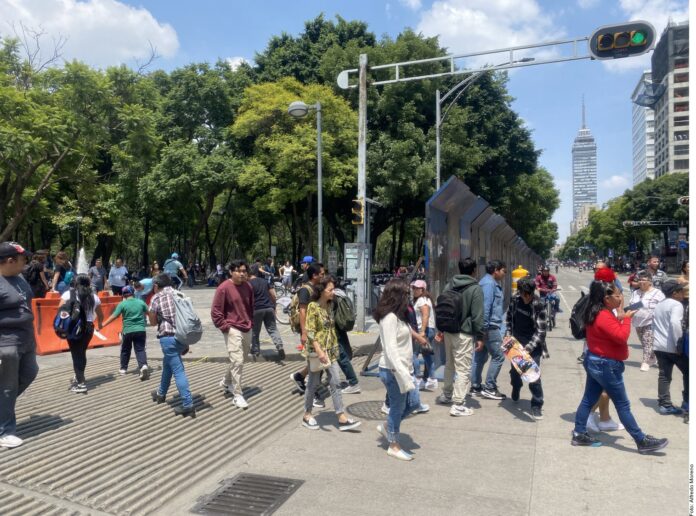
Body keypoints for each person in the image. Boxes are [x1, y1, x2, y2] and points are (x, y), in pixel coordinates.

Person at [570, 280, 668, 453]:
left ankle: (579, 433)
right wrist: (627, 319)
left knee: (588, 399)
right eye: (617, 295)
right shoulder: (603, 315)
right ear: (606, 299)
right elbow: (621, 336)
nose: (621, 297)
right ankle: (641, 440)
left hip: (596, 361)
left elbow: (608, 328)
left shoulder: (597, 312)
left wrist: (620, 316)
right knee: (622, 405)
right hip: (606, 365)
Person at [301, 276, 361, 433]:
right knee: (313, 383)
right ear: (321, 291)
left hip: (331, 350)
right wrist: (319, 351)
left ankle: (341, 417)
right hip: (317, 352)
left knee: (335, 382)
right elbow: (311, 332)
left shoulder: (330, 305)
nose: (333, 292)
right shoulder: (313, 306)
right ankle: (307, 414)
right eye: (330, 290)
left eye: (333, 289)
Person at [374, 278, 421, 460]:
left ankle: (388, 426)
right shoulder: (389, 318)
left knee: (414, 402)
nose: (408, 296)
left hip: (405, 369)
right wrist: (403, 374)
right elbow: (391, 350)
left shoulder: (399, 315)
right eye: (405, 293)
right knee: (397, 406)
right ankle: (393, 444)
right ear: (396, 296)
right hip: (393, 371)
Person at [0, 242, 39, 449]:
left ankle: (2, 410)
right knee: (7, 386)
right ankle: (5, 431)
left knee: (30, 372)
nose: (26, 263)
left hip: (26, 339)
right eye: (23, 259)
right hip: (6, 342)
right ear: (9, 261)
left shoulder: (20, 278)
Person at [435, 257, 484, 417]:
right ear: (474, 270)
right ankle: (458, 404)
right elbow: (477, 316)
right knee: (463, 369)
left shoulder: (450, 284)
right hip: (464, 333)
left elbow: (443, 307)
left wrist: (441, 329)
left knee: (450, 364)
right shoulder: (475, 288)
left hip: (448, 331)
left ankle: (446, 395)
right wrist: (480, 336)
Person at [148, 274, 194, 417]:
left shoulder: (156, 297)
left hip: (168, 338)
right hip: (183, 336)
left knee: (178, 370)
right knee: (167, 365)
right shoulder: (180, 293)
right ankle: (160, 393)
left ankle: (188, 404)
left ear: (156, 286)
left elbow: (153, 322)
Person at [211, 260, 254, 409]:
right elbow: (216, 311)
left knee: (241, 359)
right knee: (237, 361)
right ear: (231, 272)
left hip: (247, 327)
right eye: (238, 271)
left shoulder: (248, 286)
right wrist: (225, 327)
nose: (242, 273)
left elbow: (251, 306)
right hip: (232, 328)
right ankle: (237, 395)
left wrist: (251, 323)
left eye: (244, 271)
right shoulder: (223, 288)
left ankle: (226, 381)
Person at [505, 277, 546, 419]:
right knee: (515, 373)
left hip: (532, 346)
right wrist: (508, 336)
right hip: (516, 344)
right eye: (524, 294)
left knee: (533, 377)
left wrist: (528, 348)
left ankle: (536, 404)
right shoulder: (515, 300)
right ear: (520, 292)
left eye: (528, 294)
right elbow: (509, 319)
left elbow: (541, 332)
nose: (526, 297)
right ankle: (516, 387)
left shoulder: (539, 304)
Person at [471, 260, 507, 400]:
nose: (504, 274)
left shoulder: (488, 282)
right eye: (504, 271)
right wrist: (483, 330)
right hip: (489, 327)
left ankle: (475, 386)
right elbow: (485, 308)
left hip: (485, 327)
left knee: (480, 357)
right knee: (498, 356)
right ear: (496, 270)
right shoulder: (489, 284)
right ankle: (490, 387)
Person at [62, 274, 104, 393]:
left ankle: (81, 384)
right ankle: (79, 375)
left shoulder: (68, 295)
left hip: (74, 327)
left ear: (76, 283)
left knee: (76, 355)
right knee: (81, 352)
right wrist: (99, 324)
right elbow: (100, 315)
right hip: (89, 328)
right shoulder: (94, 297)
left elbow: (61, 311)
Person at [652, 279, 688, 416]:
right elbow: (675, 324)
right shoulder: (676, 304)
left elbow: (654, 324)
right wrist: (679, 343)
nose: (683, 293)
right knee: (689, 372)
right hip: (672, 346)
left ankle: (664, 405)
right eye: (680, 291)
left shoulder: (660, 305)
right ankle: (687, 402)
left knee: (664, 375)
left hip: (659, 346)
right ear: (674, 293)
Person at [289, 262, 325, 399]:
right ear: (314, 275)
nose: (323, 276)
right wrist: (304, 333)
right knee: (317, 361)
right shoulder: (305, 290)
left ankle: (300, 377)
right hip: (309, 331)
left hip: (317, 329)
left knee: (317, 360)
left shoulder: (316, 288)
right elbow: (303, 312)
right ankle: (312, 391)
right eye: (322, 274)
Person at [101, 285, 150, 380]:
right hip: (140, 330)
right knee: (140, 349)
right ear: (133, 293)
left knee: (125, 350)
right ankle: (143, 365)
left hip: (128, 330)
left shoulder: (122, 304)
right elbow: (149, 313)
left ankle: (123, 368)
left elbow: (114, 316)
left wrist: (103, 324)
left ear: (123, 295)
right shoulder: (141, 302)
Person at [630, 271, 666, 372]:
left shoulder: (657, 293)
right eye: (640, 280)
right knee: (645, 342)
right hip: (638, 322)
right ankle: (654, 357)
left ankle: (645, 362)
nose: (641, 282)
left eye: (644, 280)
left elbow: (664, 306)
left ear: (650, 281)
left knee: (647, 341)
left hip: (652, 322)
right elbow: (632, 305)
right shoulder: (635, 293)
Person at [248, 264, 285, 360]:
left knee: (255, 331)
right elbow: (273, 294)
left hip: (256, 309)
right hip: (269, 308)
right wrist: (274, 306)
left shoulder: (248, 284)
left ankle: (255, 350)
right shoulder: (265, 281)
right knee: (273, 329)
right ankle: (279, 345)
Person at [410, 279, 437, 391]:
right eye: (413, 288)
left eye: (417, 288)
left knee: (413, 354)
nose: (414, 290)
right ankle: (428, 379)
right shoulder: (422, 299)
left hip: (424, 330)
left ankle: (419, 378)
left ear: (423, 289)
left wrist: (422, 331)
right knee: (426, 354)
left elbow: (425, 315)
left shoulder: (422, 300)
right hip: (425, 329)